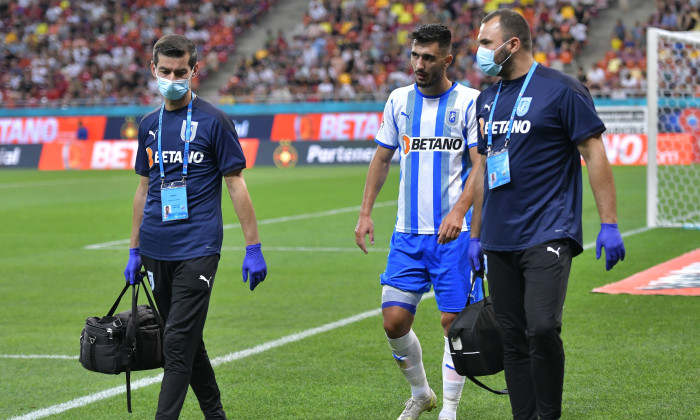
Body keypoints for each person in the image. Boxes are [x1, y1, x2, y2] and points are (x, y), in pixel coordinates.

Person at [468, 9, 626, 420]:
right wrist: (474, 234)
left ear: (513, 44)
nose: (479, 52)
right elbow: (483, 170)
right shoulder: (488, 98)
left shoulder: (563, 90)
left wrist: (609, 224)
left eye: (486, 43)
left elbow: (594, 153)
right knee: (512, 337)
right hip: (498, 237)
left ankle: (548, 415)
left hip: (548, 231)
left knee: (541, 327)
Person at [123, 34, 268, 420]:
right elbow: (143, 189)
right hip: (155, 248)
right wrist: (134, 249)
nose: (173, 77)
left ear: (194, 71)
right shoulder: (149, 124)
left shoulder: (215, 121)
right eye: (166, 71)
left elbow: (236, 185)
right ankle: (215, 414)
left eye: (180, 71)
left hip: (198, 248)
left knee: (175, 344)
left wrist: (253, 247)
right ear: (153, 70)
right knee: (185, 338)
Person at [355, 24, 484, 420]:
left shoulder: (470, 102)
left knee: (453, 323)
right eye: (415, 55)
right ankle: (422, 393)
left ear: (448, 59)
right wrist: (364, 212)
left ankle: (449, 409)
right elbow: (381, 157)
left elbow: (481, 166)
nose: (419, 64)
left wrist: (460, 211)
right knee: (393, 321)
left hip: (454, 236)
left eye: (428, 57)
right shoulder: (398, 101)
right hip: (407, 234)